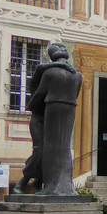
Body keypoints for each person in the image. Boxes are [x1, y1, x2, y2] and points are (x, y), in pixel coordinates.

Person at [25, 44, 82, 196]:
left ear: (52, 56)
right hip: (70, 109)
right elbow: (76, 94)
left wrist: (31, 106)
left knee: (51, 147)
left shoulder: (50, 72)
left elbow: (40, 94)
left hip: (53, 107)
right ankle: (65, 186)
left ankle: (52, 187)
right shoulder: (77, 74)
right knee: (64, 147)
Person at [12, 49, 54, 194]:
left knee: (49, 153)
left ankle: (38, 182)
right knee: (40, 152)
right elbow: (40, 68)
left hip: (50, 120)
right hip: (38, 119)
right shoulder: (40, 78)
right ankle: (23, 182)